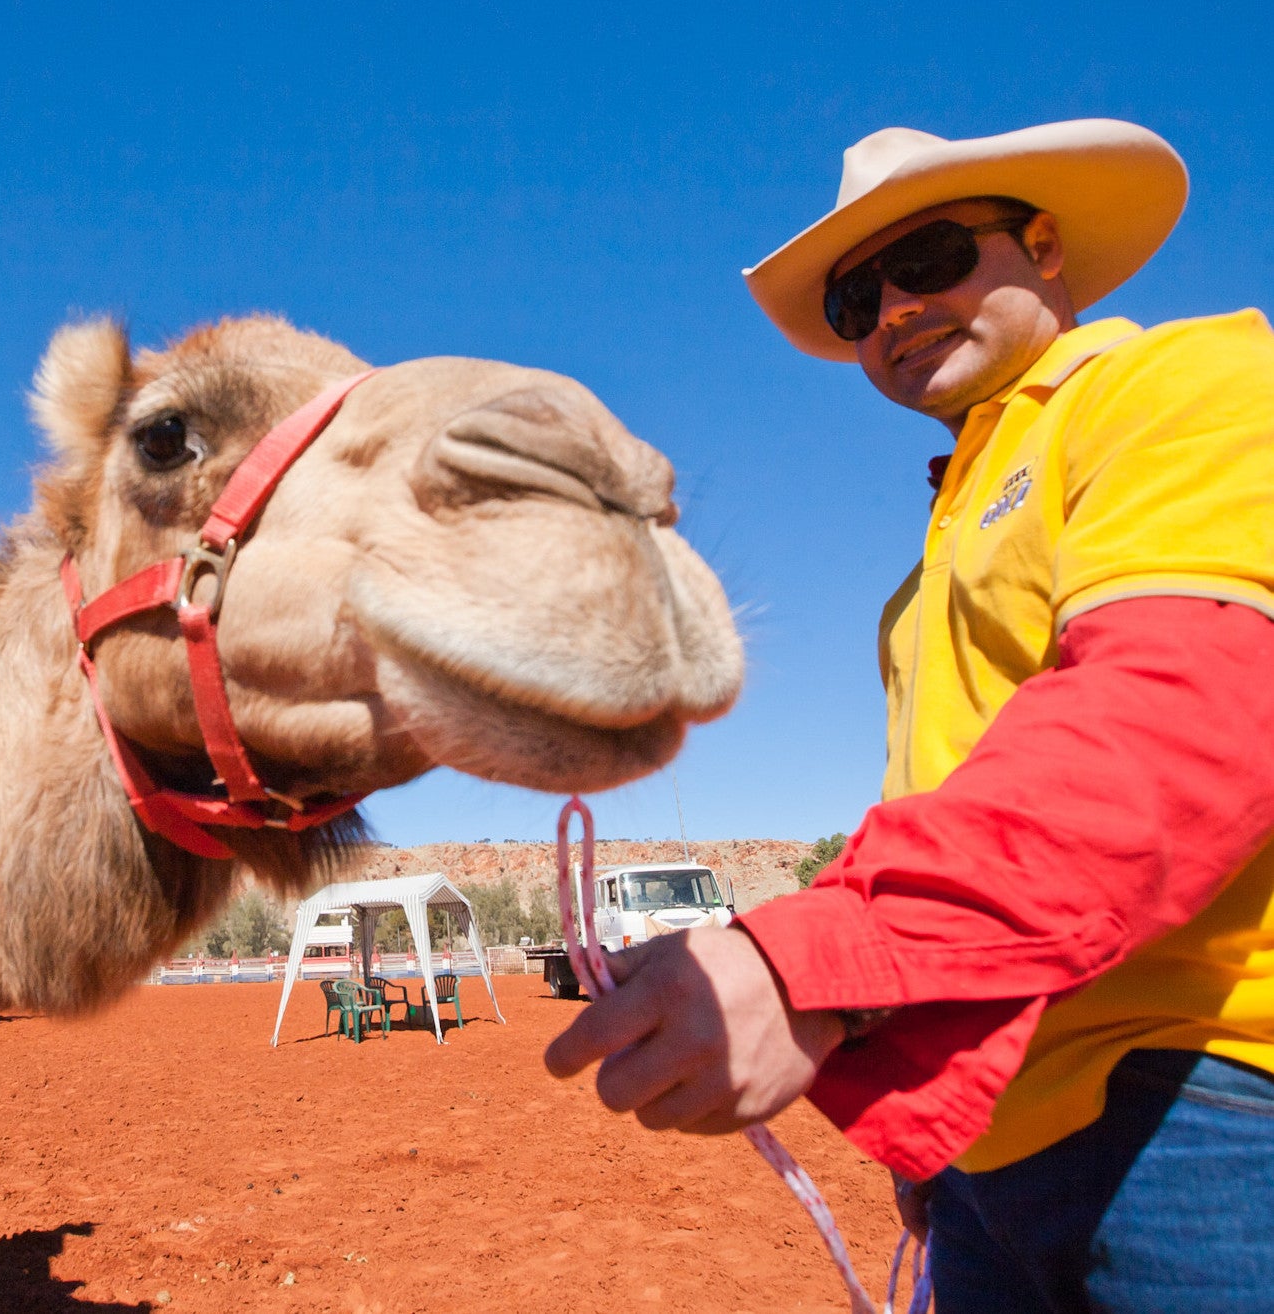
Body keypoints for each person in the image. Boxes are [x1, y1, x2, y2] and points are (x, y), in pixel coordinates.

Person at [545, 118, 1274, 1312]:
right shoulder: (925, 570)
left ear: (1043, 246)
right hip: (990, 1140)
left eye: (928, 260)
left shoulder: (1180, 386)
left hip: (1204, 1107)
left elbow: (1175, 726)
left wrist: (817, 972)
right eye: (852, 299)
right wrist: (937, 1136)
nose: (890, 310)